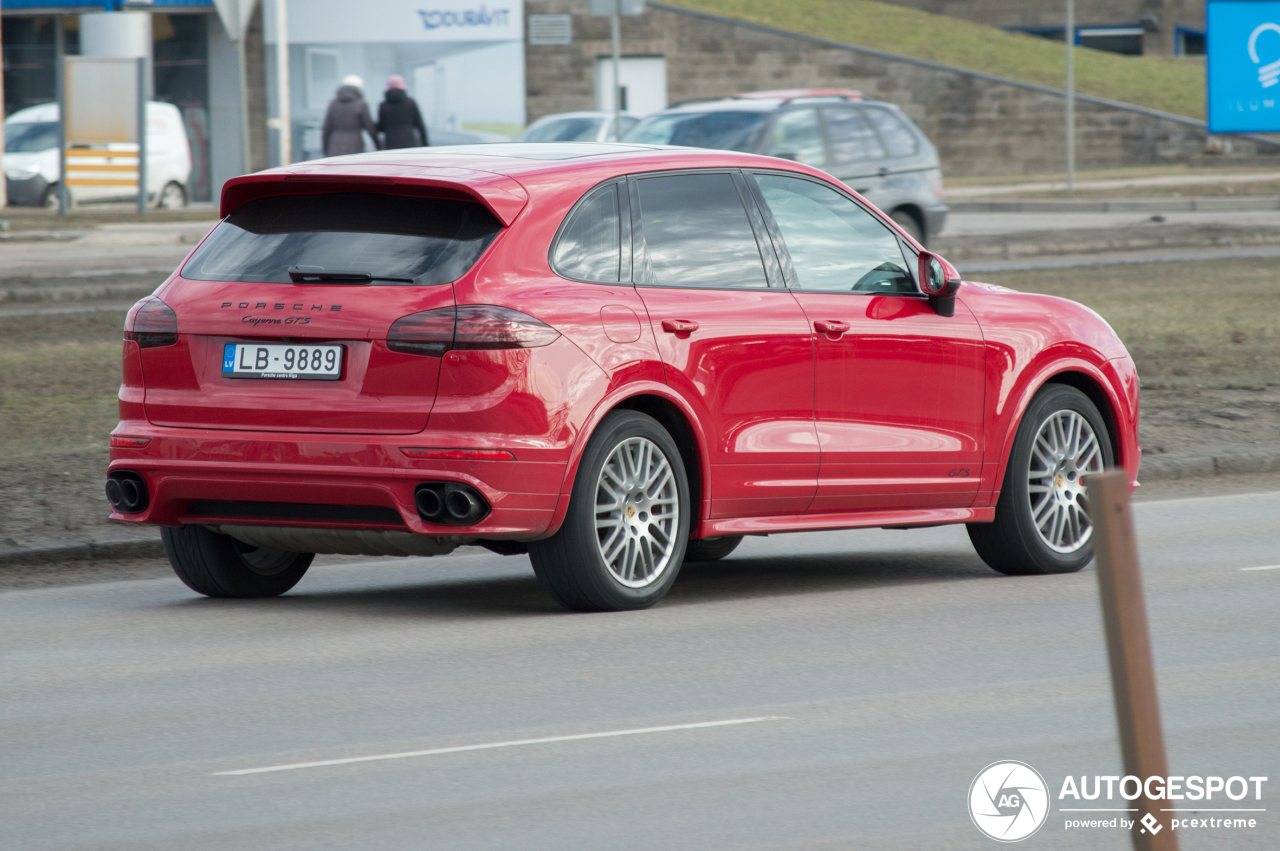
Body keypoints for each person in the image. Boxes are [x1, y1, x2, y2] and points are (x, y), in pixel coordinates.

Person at [321, 74, 379, 157]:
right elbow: (370, 127)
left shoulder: (333, 104)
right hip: (355, 144)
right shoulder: (361, 104)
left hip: (334, 145)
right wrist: (378, 146)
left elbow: (326, 128)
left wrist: (325, 148)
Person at [377, 75, 429, 149]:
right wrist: (425, 145)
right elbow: (420, 125)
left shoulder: (383, 105)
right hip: (409, 142)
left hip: (390, 144)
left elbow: (381, 127)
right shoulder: (410, 103)